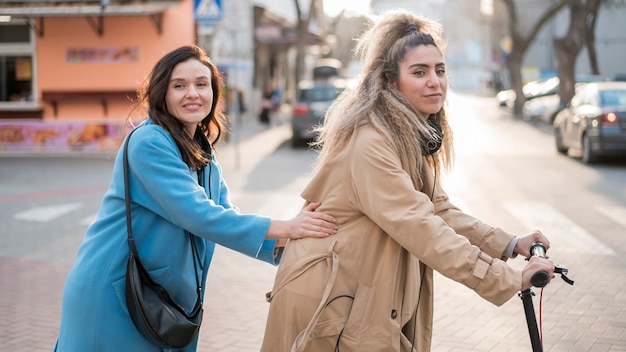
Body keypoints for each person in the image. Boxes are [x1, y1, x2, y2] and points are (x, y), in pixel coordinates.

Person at [260, 10, 556, 352]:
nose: (435, 81)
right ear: (390, 81)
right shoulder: (371, 141)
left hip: (358, 291)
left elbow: (438, 210)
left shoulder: (404, 134)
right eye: (419, 72)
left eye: (440, 70)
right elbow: (419, 224)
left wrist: (510, 243)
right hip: (329, 300)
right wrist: (504, 278)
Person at [54, 45, 338, 351]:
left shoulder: (200, 148)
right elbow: (199, 214)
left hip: (159, 296)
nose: (193, 93)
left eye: (202, 84)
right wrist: (288, 227)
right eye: (180, 85)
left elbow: (226, 215)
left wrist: (299, 251)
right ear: (162, 92)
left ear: (214, 92)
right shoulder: (149, 143)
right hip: (116, 293)